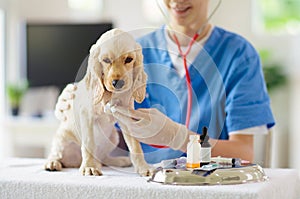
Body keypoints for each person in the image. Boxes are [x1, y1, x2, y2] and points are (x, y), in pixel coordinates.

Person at [56, 0, 275, 164]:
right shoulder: (132, 53)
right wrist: (79, 107)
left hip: (211, 186)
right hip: (145, 185)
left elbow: (244, 152)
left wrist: (178, 137)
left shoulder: (238, 55)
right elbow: (115, 140)